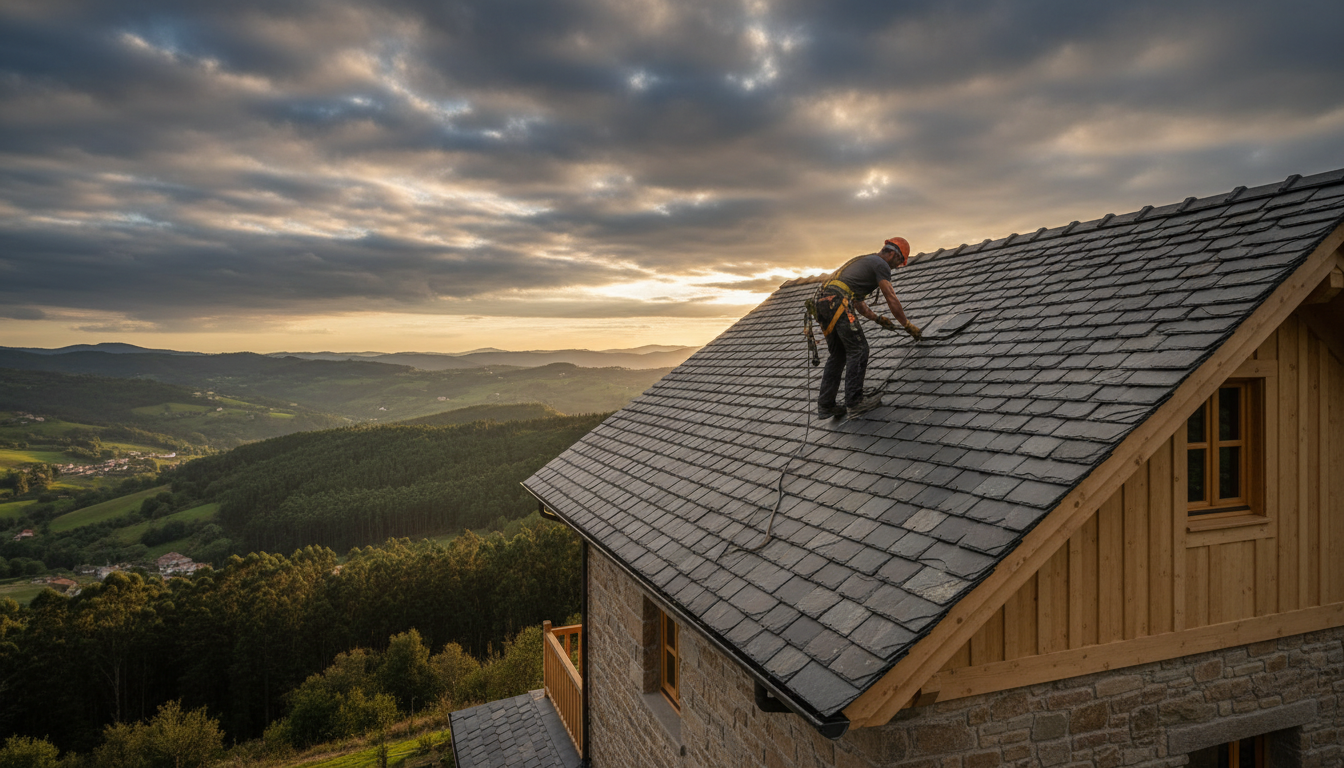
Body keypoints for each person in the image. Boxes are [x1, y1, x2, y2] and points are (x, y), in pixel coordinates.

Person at [814, 237, 922, 419]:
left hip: (823, 304)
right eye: (897, 263)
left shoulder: (865, 262)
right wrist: (907, 325)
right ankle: (855, 403)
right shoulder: (881, 264)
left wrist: (878, 318)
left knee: (838, 355)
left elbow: (857, 302)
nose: (895, 268)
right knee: (859, 349)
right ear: (892, 254)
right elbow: (891, 297)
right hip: (837, 303)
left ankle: (826, 405)